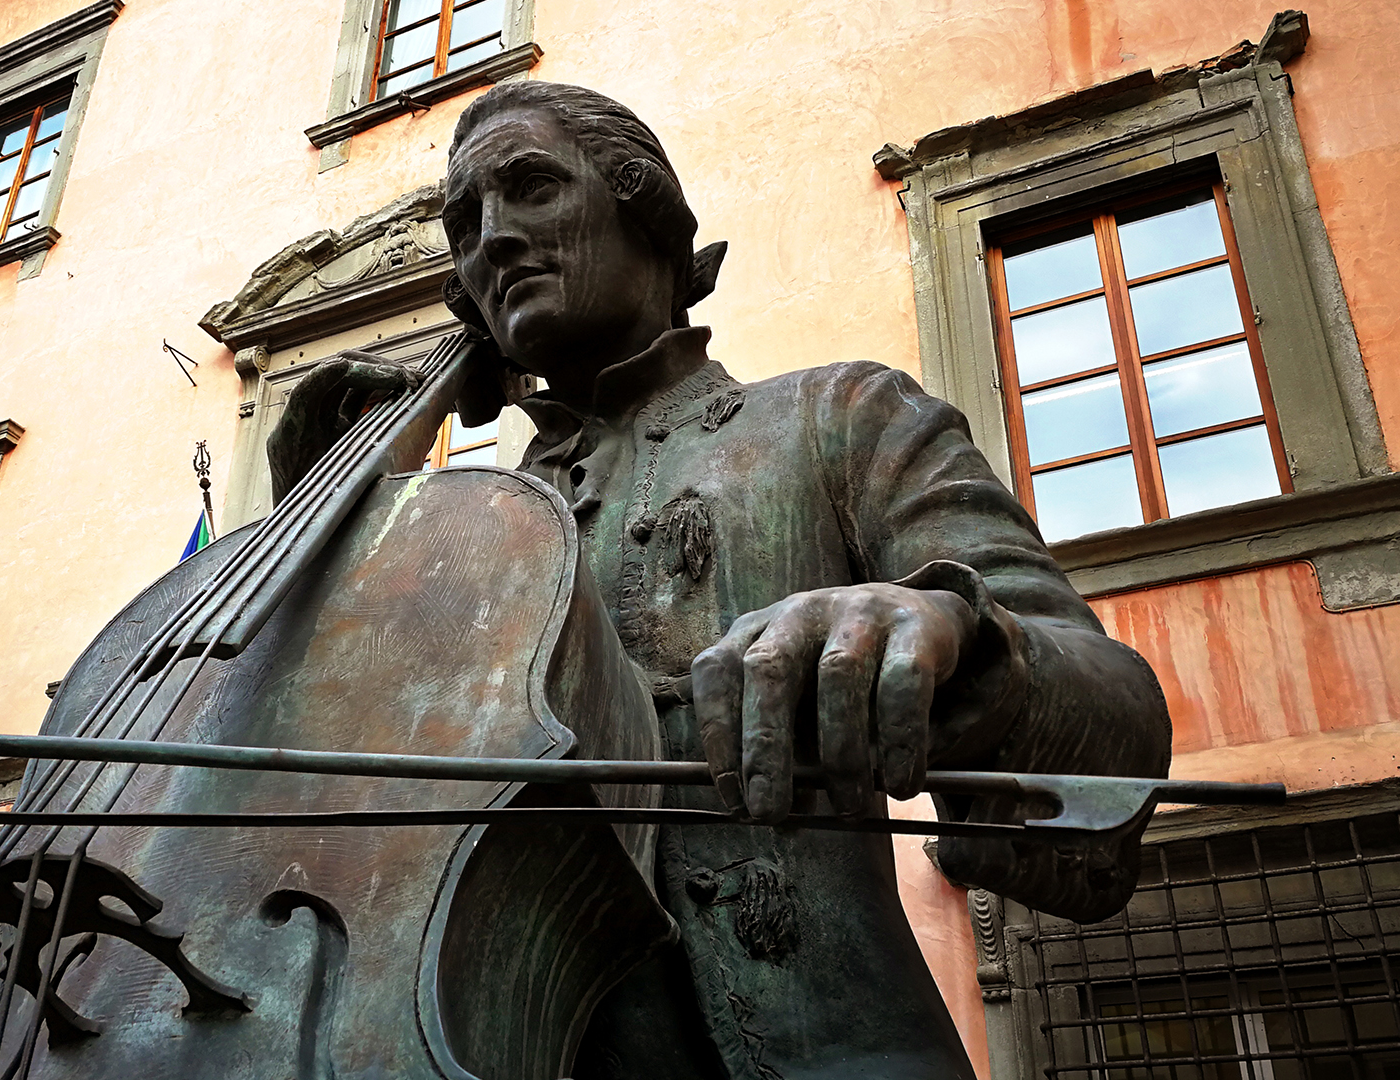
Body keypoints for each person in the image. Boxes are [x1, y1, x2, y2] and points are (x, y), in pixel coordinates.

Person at [268, 81, 1171, 1080]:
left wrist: (953, 632)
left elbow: (1114, 728)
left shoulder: (839, 415)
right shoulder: (454, 540)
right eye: (467, 223)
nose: (493, 238)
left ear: (647, 214)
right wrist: (319, 545)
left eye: (530, 188)